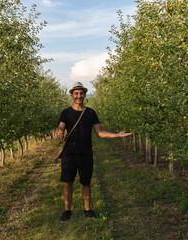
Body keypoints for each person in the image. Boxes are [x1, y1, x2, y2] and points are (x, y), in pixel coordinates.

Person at [57, 82, 133, 223]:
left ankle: (87, 210)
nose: (79, 96)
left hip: (86, 153)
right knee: (68, 182)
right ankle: (67, 211)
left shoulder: (91, 113)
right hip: (69, 154)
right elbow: (61, 127)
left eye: (81, 93)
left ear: (84, 94)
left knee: (86, 182)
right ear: (71, 95)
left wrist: (116, 135)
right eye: (76, 93)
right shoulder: (65, 112)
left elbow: (100, 132)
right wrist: (60, 133)